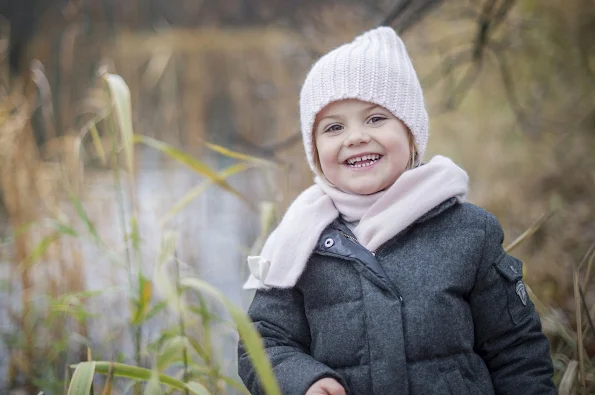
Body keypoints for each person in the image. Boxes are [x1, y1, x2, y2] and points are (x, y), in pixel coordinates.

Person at [237, 26, 556, 395]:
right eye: (334, 127)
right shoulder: (298, 241)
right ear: (315, 150)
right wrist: (303, 381)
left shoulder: (469, 232)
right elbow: (261, 344)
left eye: (375, 119)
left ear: (410, 132)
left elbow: (516, 351)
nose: (355, 137)